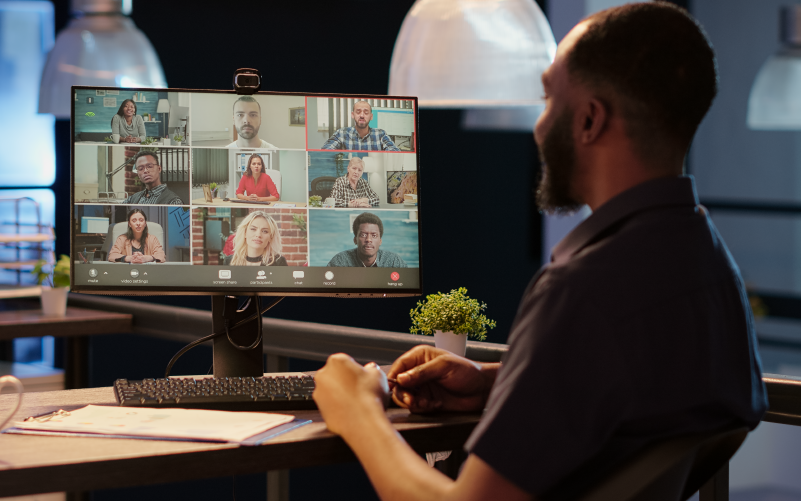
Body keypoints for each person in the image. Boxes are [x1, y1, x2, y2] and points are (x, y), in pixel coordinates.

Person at [311, 4, 768, 501]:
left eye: (549, 98)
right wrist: (500, 383)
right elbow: (651, 396)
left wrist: (358, 413)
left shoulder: (582, 291)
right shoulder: (709, 264)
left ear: (589, 119)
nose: (539, 124)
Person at [327, 212, 407, 267]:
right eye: (363, 235)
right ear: (355, 240)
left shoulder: (394, 261)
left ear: (380, 241)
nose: (368, 239)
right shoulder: (340, 261)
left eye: (374, 235)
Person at [321, 100, 400, 151]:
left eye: (366, 112)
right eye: (358, 112)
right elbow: (325, 150)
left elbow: (394, 152)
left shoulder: (381, 134)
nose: (362, 115)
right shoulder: (342, 133)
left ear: (371, 116)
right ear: (353, 115)